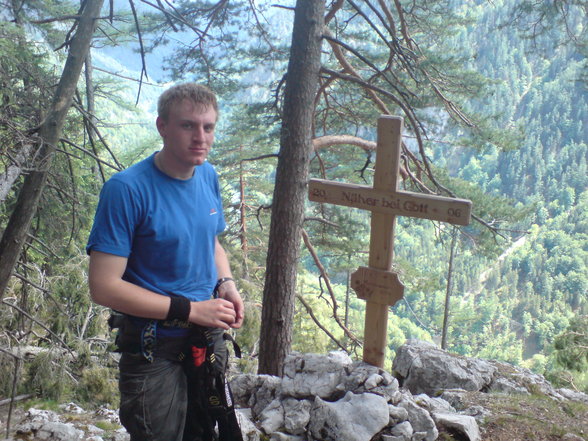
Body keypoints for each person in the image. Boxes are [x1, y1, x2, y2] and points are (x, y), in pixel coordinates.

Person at [86, 83, 244, 441]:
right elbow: (103, 286)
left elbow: (211, 241)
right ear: (162, 126)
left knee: (209, 433)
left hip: (207, 338)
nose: (200, 137)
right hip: (153, 347)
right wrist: (190, 310)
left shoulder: (207, 175)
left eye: (208, 127)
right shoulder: (127, 189)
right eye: (188, 125)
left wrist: (226, 284)